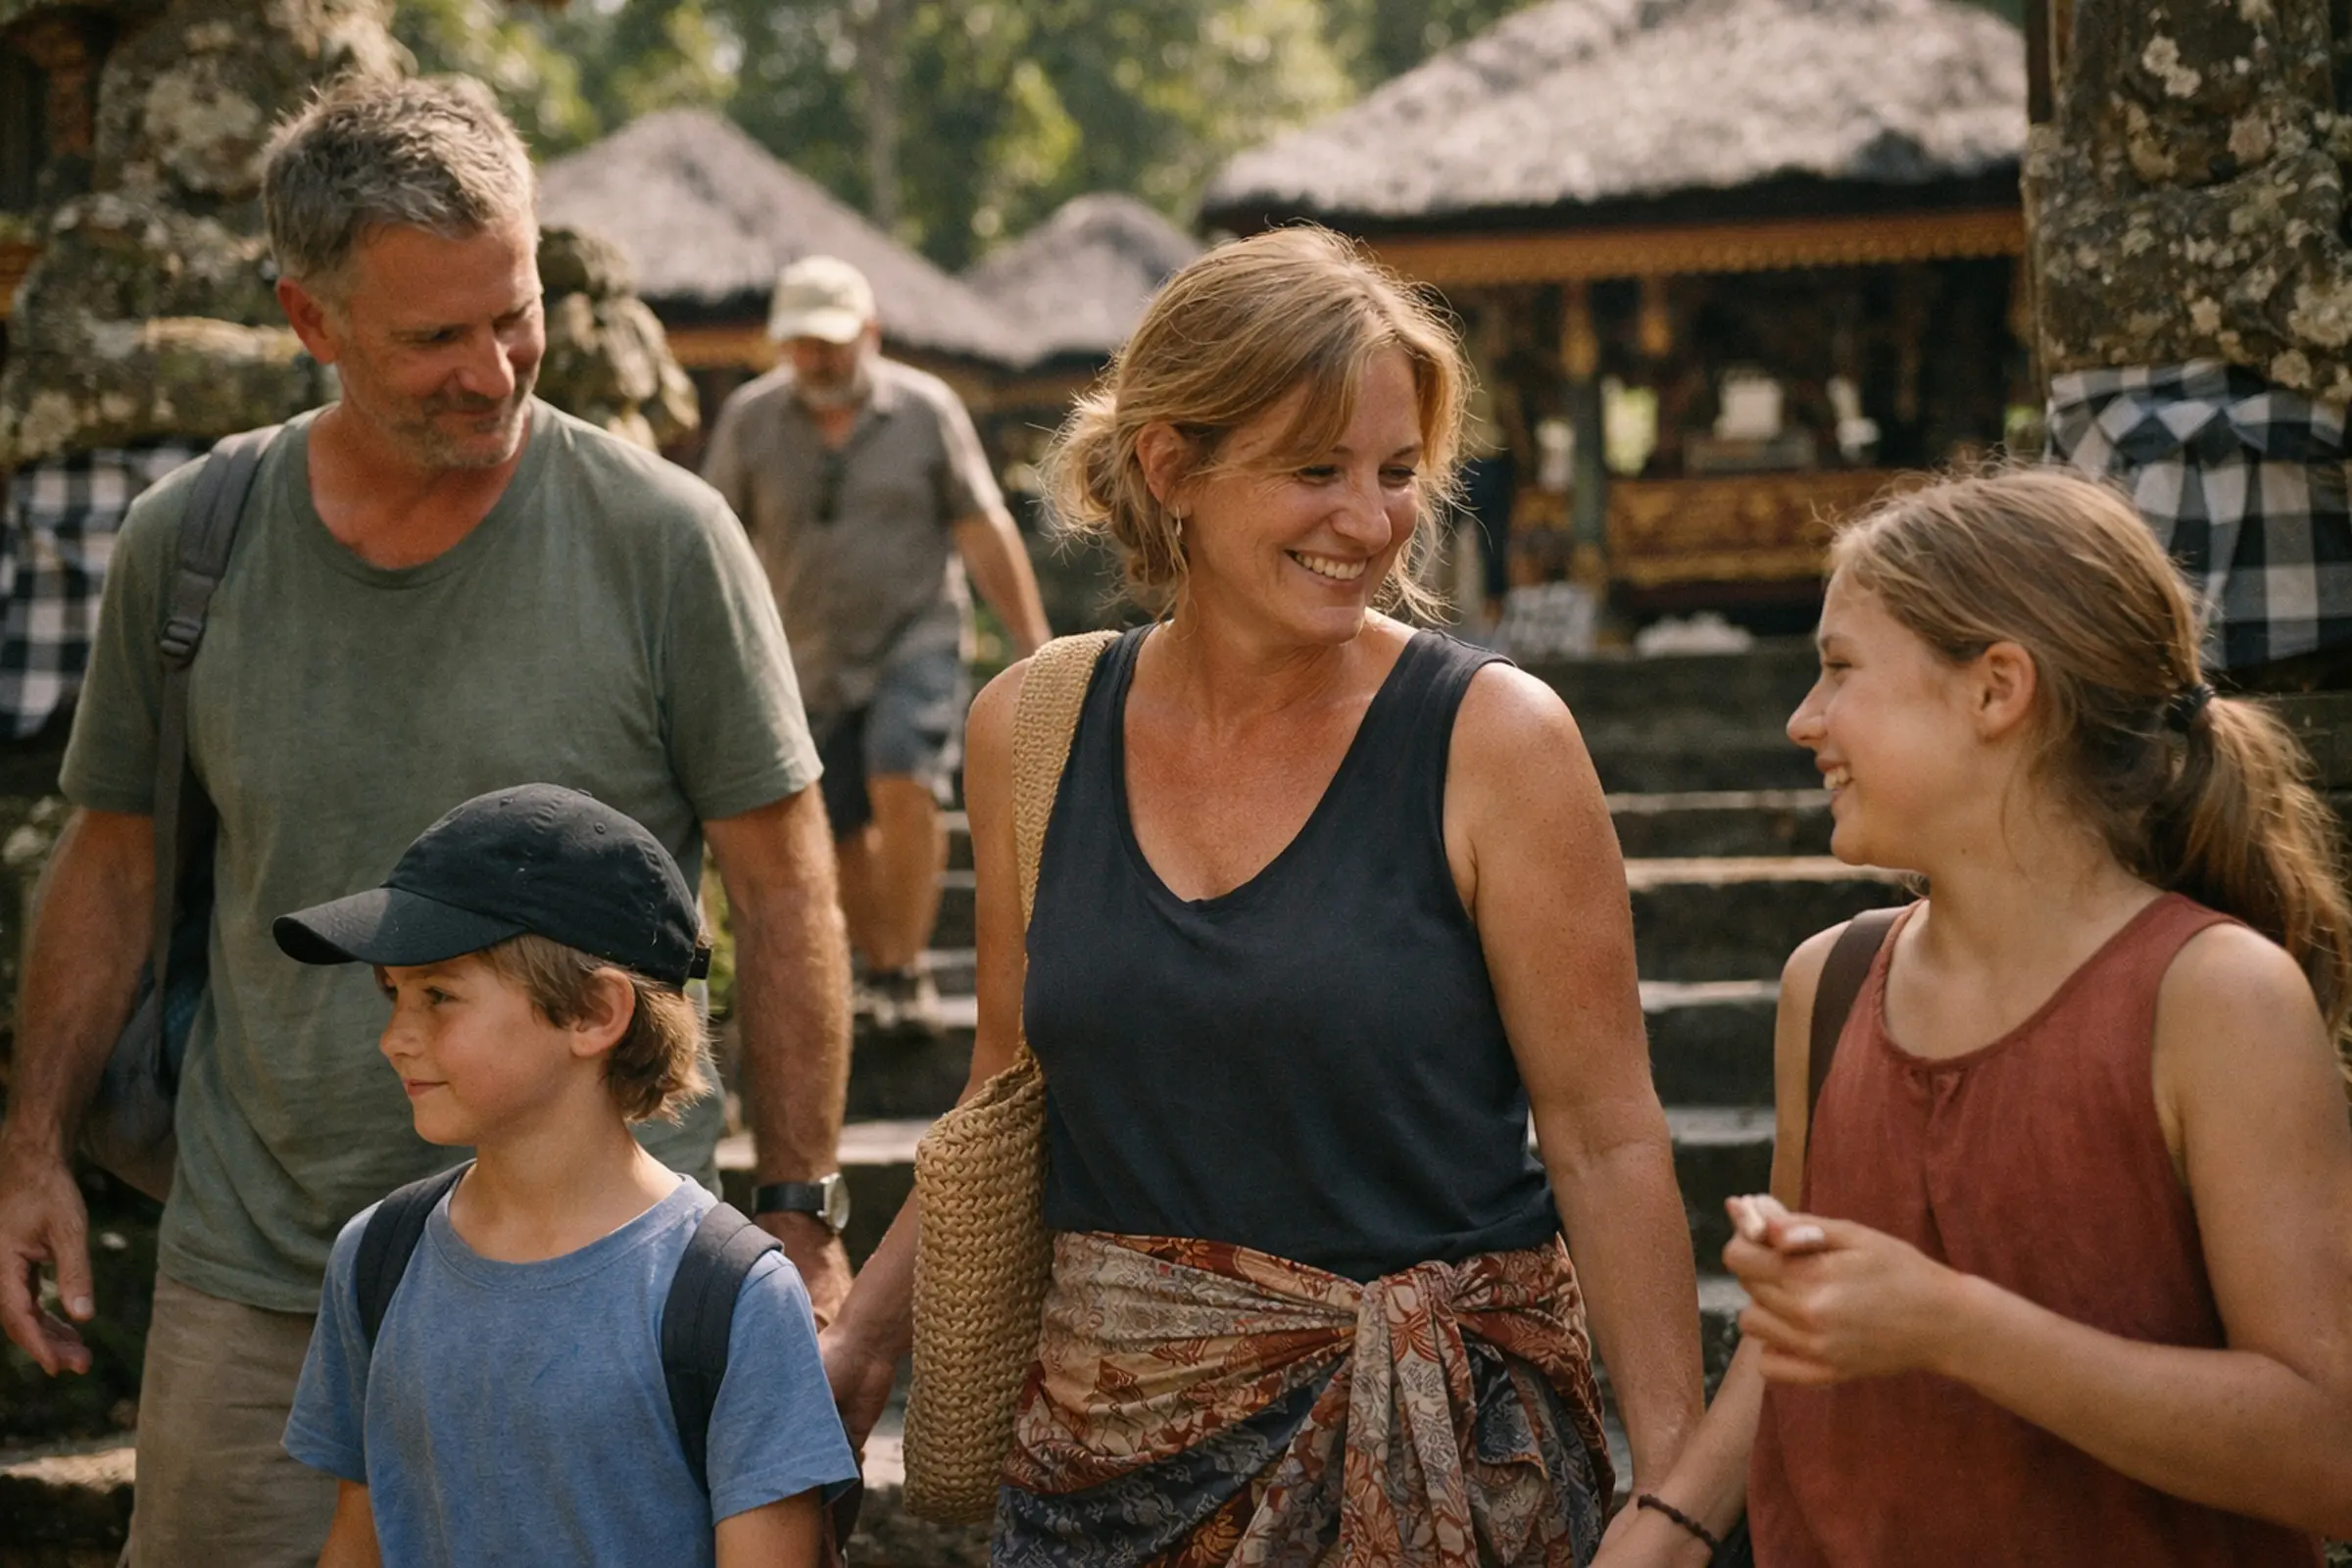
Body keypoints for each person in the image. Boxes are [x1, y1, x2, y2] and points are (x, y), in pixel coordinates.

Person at [0, 78, 855, 1567]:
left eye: (513, 313)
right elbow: (115, 861)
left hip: (601, 1287)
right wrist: (30, 1149)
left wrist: (798, 1206)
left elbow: (783, 890)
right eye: (434, 338)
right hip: (258, 1276)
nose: (495, 369)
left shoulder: (663, 541)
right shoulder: (191, 544)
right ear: (310, 321)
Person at [822, 226, 1703, 1560]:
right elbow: (1011, 1085)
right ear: (1174, 466)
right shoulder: (1034, 727)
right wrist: (866, 1336)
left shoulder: (1496, 742)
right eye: (1316, 471)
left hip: (1444, 1482)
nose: (1372, 520)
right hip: (1105, 1478)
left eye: (1398, 472)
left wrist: (1677, 1494)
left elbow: (1606, 1135)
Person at [1603, 470, 2352, 1566]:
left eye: (1841, 668)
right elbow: (1802, 1344)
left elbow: (2327, 1449)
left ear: (1996, 689)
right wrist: (1668, 1531)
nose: (1802, 719)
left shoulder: (2213, 998)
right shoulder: (1835, 979)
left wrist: (1953, 1326)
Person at [273, 784, 858, 1568]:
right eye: (391, 995)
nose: (394, 1039)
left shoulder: (731, 1294)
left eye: (438, 996)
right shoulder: (377, 1256)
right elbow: (360, 1540)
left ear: (593, 1013)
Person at [702, 256, 1052, 1037]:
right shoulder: (753, 422)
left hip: (914, 634)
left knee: (902, 766)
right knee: (838, 817)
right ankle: (884, 967)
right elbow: (713, 537)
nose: (818, 360)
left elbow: (984, 528)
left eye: (831, 342)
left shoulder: (926, 411)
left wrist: (1033, 643)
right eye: (802, 344)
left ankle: (906, 963)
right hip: (806, 651)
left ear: (870, 334)